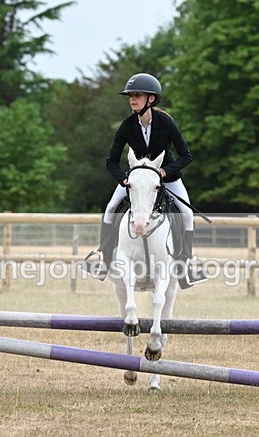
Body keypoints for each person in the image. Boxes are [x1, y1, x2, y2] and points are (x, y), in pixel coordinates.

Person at [92, 72, 206, 288]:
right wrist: (124, 179)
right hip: (135, 181)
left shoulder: (166, 123)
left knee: (187, 214)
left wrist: (164, 172)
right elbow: (112, 161)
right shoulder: (127, 126)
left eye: (137, 95)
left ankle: (184, 268)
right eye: (130, 96)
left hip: (167, 178)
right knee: (110, 209)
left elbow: (186, 156)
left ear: (151, 99)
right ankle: (104, 262)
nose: (132, 99)